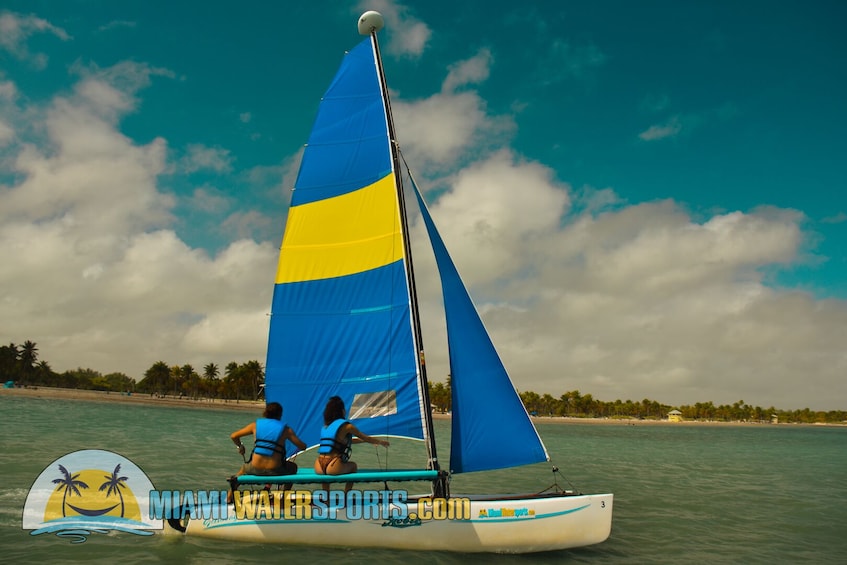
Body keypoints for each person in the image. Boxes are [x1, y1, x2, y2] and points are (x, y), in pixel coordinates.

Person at [229, 402, 306, 502]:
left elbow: (234, 436)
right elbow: (303, 446)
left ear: (265, 413)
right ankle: (283, 500)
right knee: (293, 467)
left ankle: (229, 497)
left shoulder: (255, 425)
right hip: (275, 470)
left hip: (255, 468)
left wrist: (240, 446)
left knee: (243, 469)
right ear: (280, 414)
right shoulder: (286, 430)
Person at [314, 395, 389, 492]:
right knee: (353, 466)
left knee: (325, 477)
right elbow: (365, 437)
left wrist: (366, 441)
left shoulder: (326, 426)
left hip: (318, 466)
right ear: (341, 411)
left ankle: (327, 500)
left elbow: (345, 442)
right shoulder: (347, 427)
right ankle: (346, 497)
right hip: (333, 465)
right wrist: (380, 442)